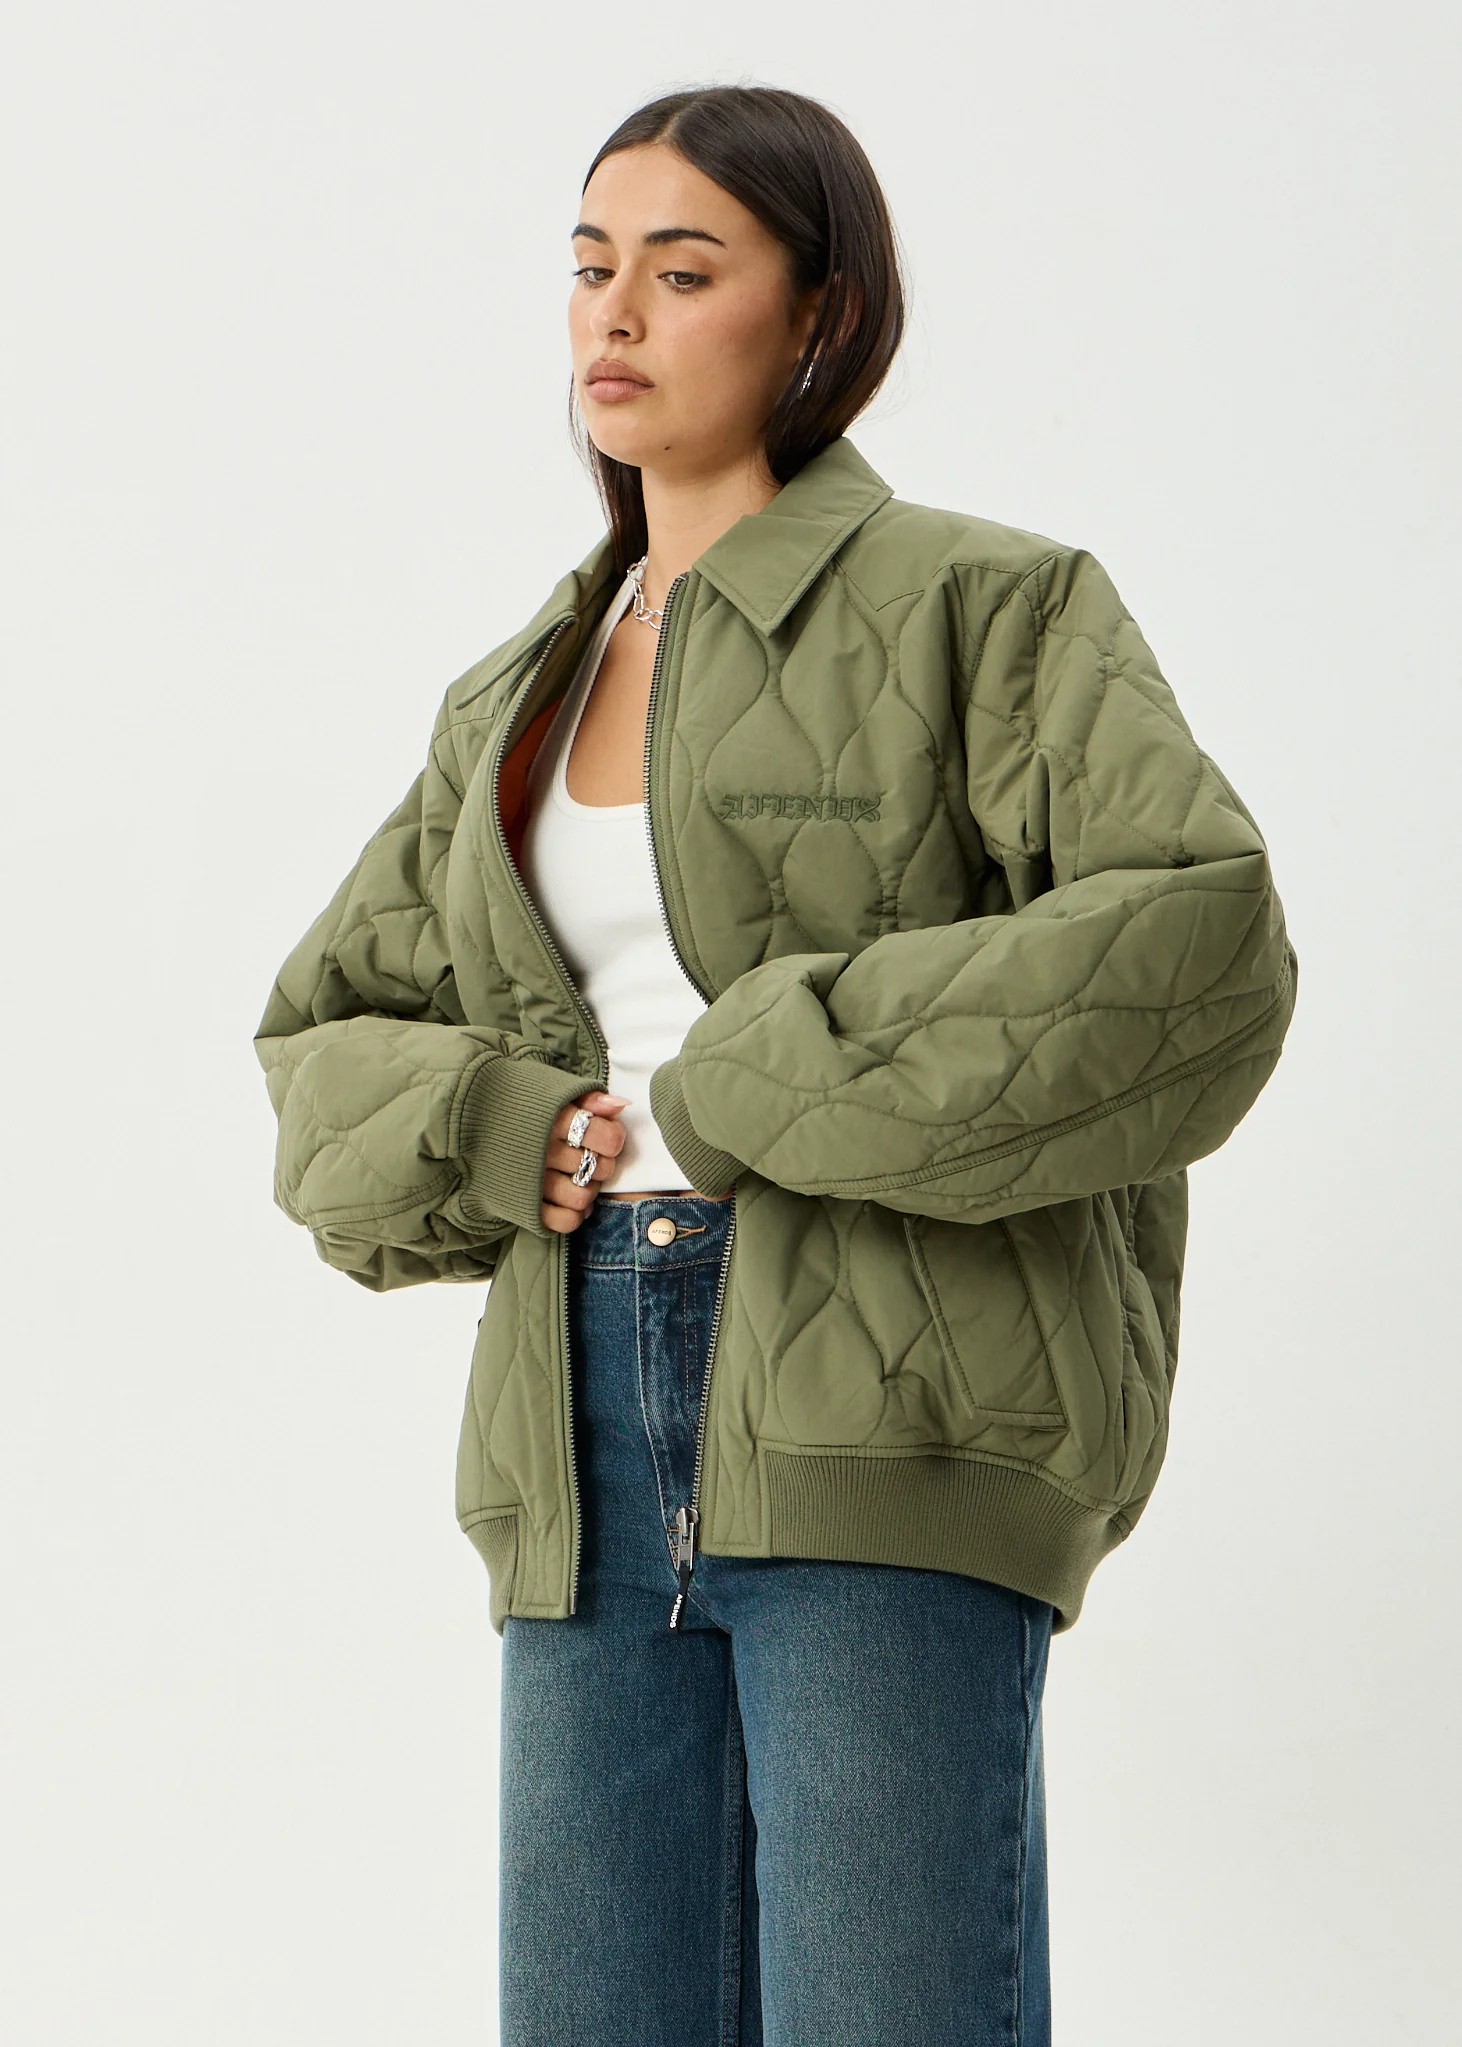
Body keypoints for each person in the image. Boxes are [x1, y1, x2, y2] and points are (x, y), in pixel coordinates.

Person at [254, 83, 1297, 2047]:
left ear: (816, 314)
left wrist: (753, 1083)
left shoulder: (985, 605)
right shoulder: (513, 694)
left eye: (682, 269)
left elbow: (1197, 945)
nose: (613, 314)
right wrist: (493, 1127)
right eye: (589, 266)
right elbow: (316, 1050)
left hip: (895, 1392)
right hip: (574, 1425)